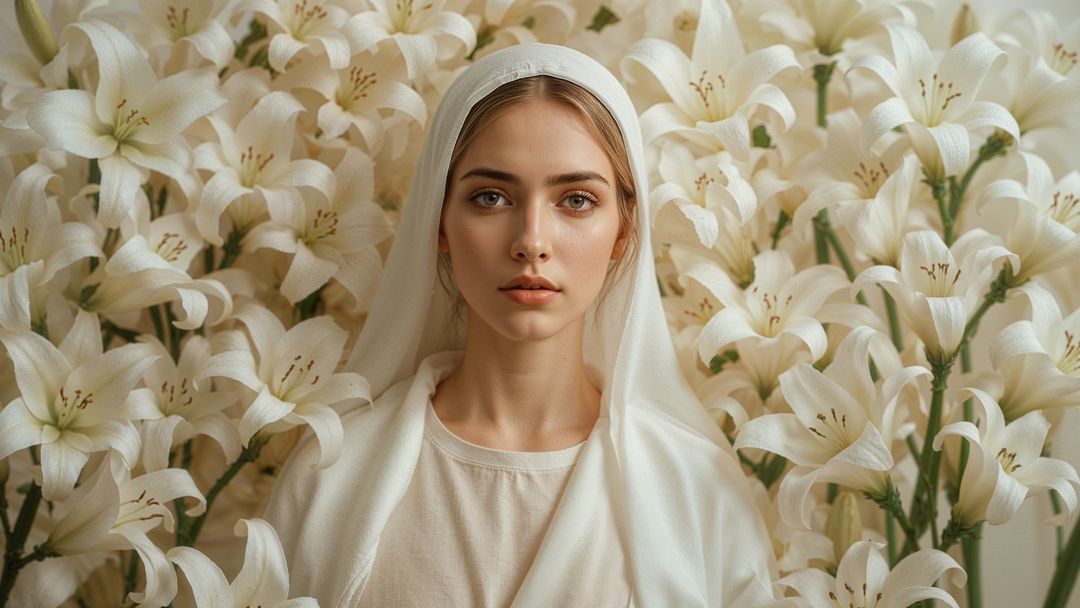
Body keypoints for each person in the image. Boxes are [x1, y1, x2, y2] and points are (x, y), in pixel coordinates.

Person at [263, 42, 787, 607]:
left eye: (577, 200)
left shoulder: (696, 489)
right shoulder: (333, 476)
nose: (531, 241)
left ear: (624, 229)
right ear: (437, 219)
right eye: (490, 197)